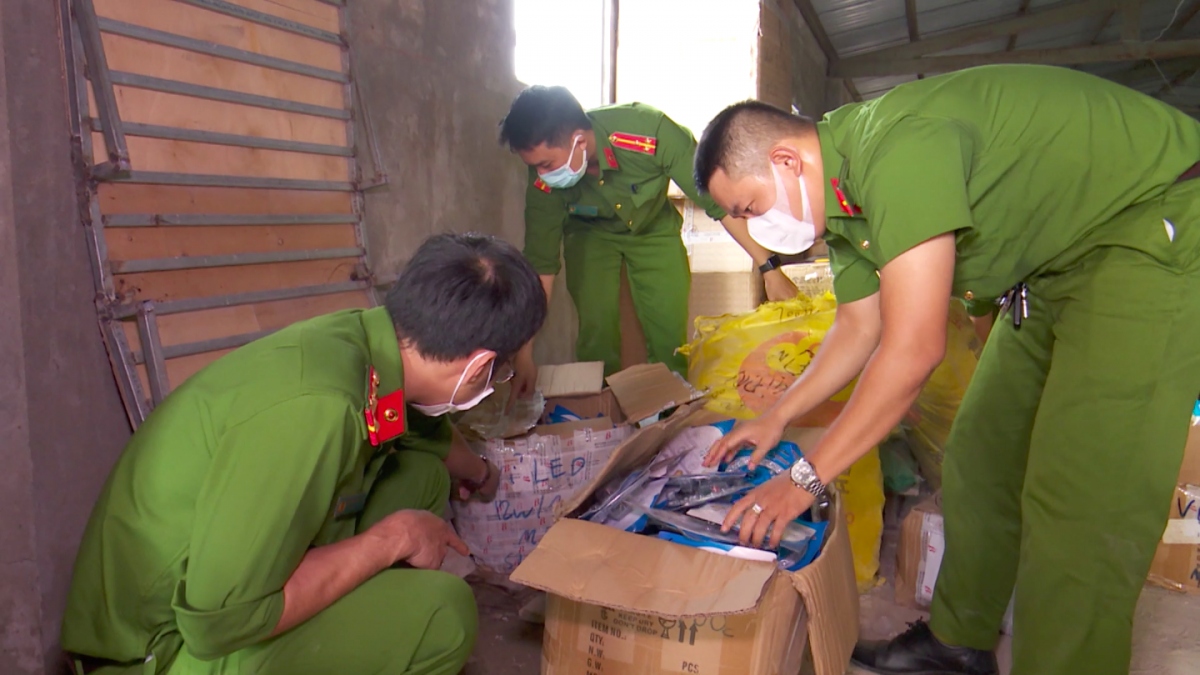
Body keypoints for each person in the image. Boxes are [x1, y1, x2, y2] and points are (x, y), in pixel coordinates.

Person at [692, 64, 1200, 675]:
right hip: (1054, 264)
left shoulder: (897, 150)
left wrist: (806, 477)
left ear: (787, 161)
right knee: (981, 457)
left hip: (1149, 232)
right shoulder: (847, 206)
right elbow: (858, 329)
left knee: (1082, 499)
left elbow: (912, 351)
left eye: (750, 206)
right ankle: (961, 642)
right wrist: (777, 417)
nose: (756, 228)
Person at [61, 233, 547, 675]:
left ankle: (360, 620)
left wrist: (480, 474)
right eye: (499, 372)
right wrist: (389, 541)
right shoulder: (318, 410)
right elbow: (220, 622)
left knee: (419, 477)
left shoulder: (360, 343)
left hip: (209, 588)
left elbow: (425, 433)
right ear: (480, 364)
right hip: (160, 647)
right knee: (444, 612)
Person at [498, 85, 799, 392]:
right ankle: (603, 411)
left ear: (578, 139)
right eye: (534, 167)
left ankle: (671, 411)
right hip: (589, 234)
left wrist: (770, 268)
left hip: (653, 228)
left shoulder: (650, 134)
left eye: (546, 165)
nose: (541, 174)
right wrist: (524, 353)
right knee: (596, 331)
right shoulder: (543, 182)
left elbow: (720, 204)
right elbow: (542, 264)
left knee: (668, 330)